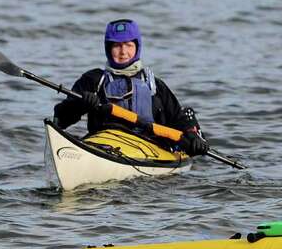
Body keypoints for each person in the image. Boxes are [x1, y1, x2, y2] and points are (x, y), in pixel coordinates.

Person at [52, 19, 210, 157]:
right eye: (117, 46)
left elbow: (178, 118)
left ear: (137, 47)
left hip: (149, 147)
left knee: (188, 114)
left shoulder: (154, 85)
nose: (123, 52)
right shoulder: (93, 80)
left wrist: (193, 136)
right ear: (108, 48)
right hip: (103, 144)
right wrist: (79, 104)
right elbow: (61, 121)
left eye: (128, 45)